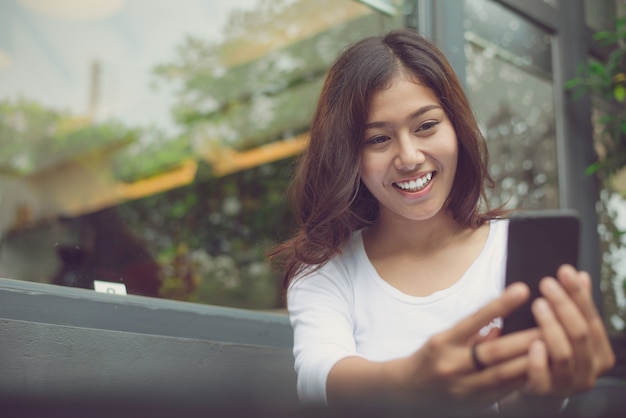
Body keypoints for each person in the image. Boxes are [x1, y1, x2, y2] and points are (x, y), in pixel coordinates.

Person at [269, 29, 615, 414]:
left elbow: (526, 404)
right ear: (349, 156)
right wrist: (413, 381)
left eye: (426, 126)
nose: (409, 157)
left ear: (457, 129)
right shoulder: (327, 271)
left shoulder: (512, 251)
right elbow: (320, 379)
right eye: (378, 140)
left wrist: (544, 390)